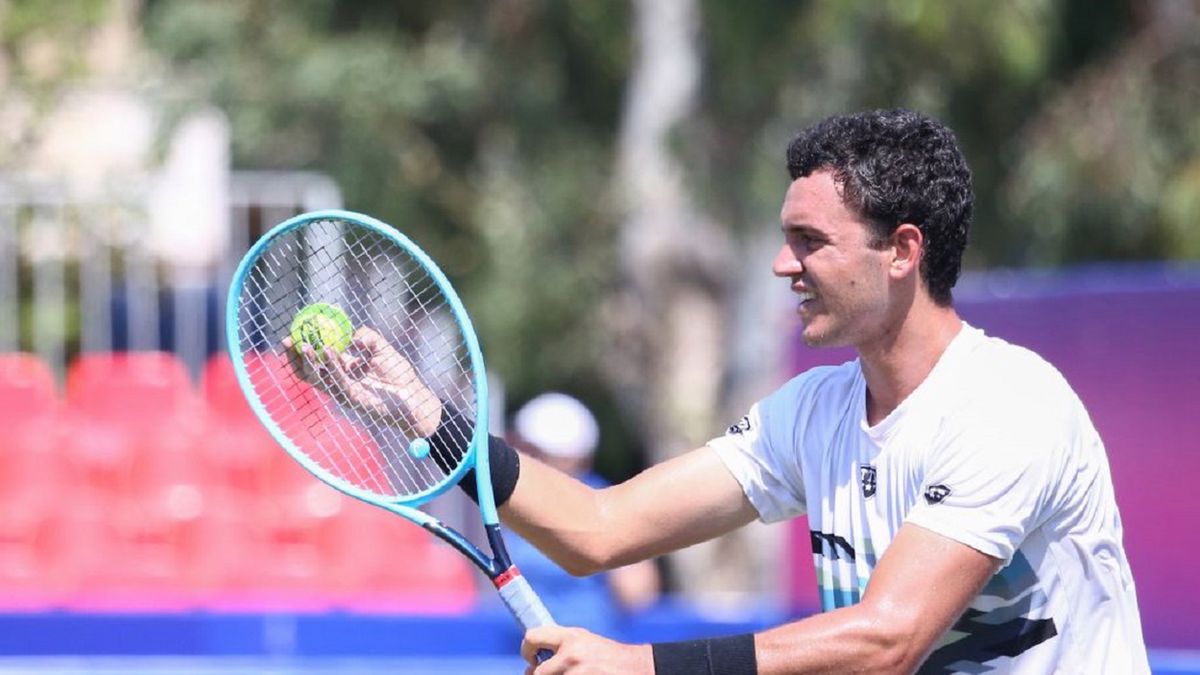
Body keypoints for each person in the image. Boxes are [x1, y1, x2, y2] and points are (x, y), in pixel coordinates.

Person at [294, 109, 1149, 674]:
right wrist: (428, 416)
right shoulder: (813, 410)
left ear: (903, 251)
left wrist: (640, 663)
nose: (785, 266)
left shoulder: (1007, 405)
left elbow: (889, 637)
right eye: (785, 240)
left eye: (810, 242)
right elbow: (603, 527)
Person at [500, 392, 659, 636]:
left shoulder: (607, 502)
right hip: (520, 652)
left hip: (588, 651)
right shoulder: (509, 501)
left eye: (534, 450)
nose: (523, 455)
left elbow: (637, 592)